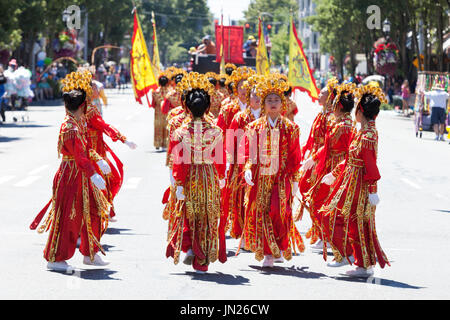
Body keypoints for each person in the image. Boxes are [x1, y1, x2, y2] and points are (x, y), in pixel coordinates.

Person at [30, 71, 111, 272]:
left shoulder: (78, 123)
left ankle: (90, 253)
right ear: (82, 105)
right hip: (71, 175)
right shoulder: (70, 128)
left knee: (93, 212)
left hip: (82, 174)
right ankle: (55, 258)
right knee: (69, 217)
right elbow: (79, 156)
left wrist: (99, 161)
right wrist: (93, 172)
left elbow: (85, 150)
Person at [318, 84, 390, 277]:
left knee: (354, 223)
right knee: (346, 220)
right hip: (349, 182)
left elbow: (370, 165)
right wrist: (334, 173)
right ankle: (356, 260)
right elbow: (351, 160)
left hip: (359, 187)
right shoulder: (362, 132)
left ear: (360, 111)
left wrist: (373, 190)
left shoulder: (367, 135)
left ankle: (359, 263)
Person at [240, 75, 304, 268]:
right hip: (261, 178)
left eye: (277, 100)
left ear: (282, 103)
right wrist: (248, 169)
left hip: (282, 178)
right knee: (263, 212)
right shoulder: (254, 127)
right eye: (269, 100)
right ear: (264, 103)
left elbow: (295, 156)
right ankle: (268, 252)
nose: (273, 103)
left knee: (280, 211)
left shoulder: (291, 128)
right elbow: (248, 153)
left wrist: (294, 181)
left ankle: (279, 245)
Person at [166, 72, 226, 274]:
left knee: (190, 215)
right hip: (208, 177)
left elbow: (179, 162)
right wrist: (221, 177)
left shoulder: (180, 132)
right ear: (208, 107)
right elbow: (220, 160)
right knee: (207, 217)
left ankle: (191, 247)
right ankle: (203, 260)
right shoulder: (216, 131)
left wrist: (179, 183)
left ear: (186, 108)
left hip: (190, 177)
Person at [301, 83, 356, 255]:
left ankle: (335, 241)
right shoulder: (334, 120)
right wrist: (312, 157)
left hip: (336, 168)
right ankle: (326, 236)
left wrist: (333, 170)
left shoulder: (345, 126)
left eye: (324, 93)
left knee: (329, 204)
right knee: (318, 200)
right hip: (326, 163)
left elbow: (348, 153)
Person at [82, 68, 137, 221]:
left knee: (103, 178)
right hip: (91, 150)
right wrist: (124, 139)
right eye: (93, 89)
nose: (97, 92)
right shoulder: (89, 109)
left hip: (92, 148)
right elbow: (105, 127)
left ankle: (104, 210)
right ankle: (101, 211)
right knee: (105, 178)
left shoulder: (82, 107)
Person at [219, 75, 264, 262]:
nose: (253, 98)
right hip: (240, 165)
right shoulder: (239, 117)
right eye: (251, 95)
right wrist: (229, 163)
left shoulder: (266, 118)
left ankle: (261, 237)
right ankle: (246, 236)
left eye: (256, 95)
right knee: (243, 201)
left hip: (264, 166)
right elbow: (230, 141)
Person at [297, 78, 339, 247]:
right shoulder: (321, 114)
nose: (319, 94)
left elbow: (329, 144)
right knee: (307, 191)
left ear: (331, 97)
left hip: (325, 162)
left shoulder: (331, 118)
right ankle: (321, 232)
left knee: (321, 197)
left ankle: (326, 235)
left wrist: (315, 158)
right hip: (316, 159)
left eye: (323, 92)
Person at [151, 72, 171, 151]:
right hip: (167, 113)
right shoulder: (170, 93)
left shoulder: (155, 92)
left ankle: (157, 144)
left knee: (158, 128)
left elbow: (153, 104)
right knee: (166, 128)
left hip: (158, 113)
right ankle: (165, 144)